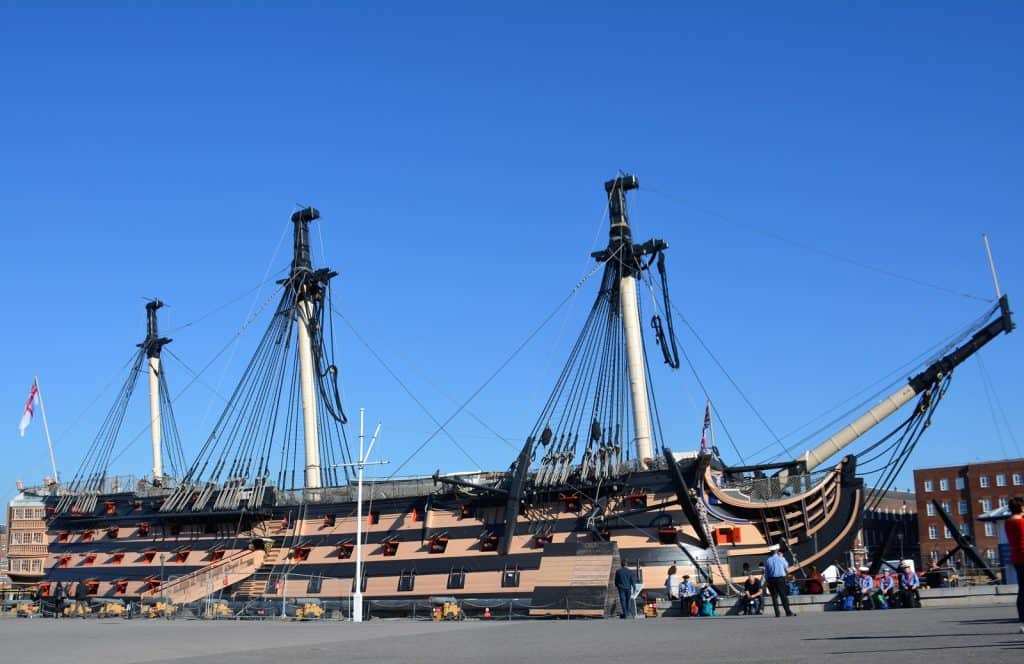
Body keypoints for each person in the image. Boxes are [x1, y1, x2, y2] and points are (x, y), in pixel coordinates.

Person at [1005, 496, 1024, 634]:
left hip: (1017, 558)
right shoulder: (1021, 522)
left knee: (1022, 590)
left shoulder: (1008, 522)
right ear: (1021, 507)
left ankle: (1022, 620)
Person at [763, 544, 796, 617]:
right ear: (777, 551)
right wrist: (782, 557)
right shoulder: (781, 558)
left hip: (771, 580)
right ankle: (788, 612)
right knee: (783, 596)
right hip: (780, 579)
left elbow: (766, 573)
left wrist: (767, 581)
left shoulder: (768, 560)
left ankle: (777, 613)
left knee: (774, 597)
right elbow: (786, 566)